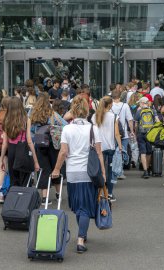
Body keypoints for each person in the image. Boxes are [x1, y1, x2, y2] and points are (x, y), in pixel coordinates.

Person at [51, 95, 105, 254]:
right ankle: (81, 239)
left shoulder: (67, 129)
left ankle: (82, 234)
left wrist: (56, 169)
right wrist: (103, 171)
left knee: (78, 206)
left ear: (72, 110)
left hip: (72, 172)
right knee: (84, 207)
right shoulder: (93, 128)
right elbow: (99, 153)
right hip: (89, 173)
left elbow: (63, 152)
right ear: (87, 110)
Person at [30, 93, 63, 205]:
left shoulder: (32, 114)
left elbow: (29, 132)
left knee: (43, 170)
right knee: (55, 168)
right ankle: (58, 194)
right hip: (53, 145)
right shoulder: (52, 113)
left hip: (39, 145)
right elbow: (64, 124)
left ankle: (45, 197)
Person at [0, 97, 40, 187]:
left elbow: (5, 143)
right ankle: (25, 199)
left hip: (11, 151)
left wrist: (2, 159)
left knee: (14, 180)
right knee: (26, 180)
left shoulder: (6, 120)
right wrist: (36, 161)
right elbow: (29, 141)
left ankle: (15, 199)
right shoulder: (26, 119)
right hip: (23, 150)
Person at [92, 96, 122, 202]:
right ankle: (109, 193)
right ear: (109, 105)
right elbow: (117, 133)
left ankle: (98, 192)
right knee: (110, 172)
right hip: (110, 147)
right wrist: (120, 147)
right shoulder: (114, 116)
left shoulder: (94, 116)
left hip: (98, 147)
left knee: (99, 170)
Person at [111, 89, 134, 179]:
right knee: (121, 152)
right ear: (120, 96)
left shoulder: (110, 105)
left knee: (113, 152)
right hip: (123, 133)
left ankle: (112, 170)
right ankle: (120, 171)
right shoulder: (125, 106)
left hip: (112, 133)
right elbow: (130, 120)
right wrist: (132, 131)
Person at [134, 97, 159, 178]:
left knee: (143, 152)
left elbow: (136, 124)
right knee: (149, 152)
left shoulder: (138, 112)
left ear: (142, 103)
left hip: (141, 134)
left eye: (139, 103)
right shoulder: (153, 111)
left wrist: (135, 133)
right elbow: (157, 121)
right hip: (150, 134)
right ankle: (148, 168)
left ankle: (145, 171)